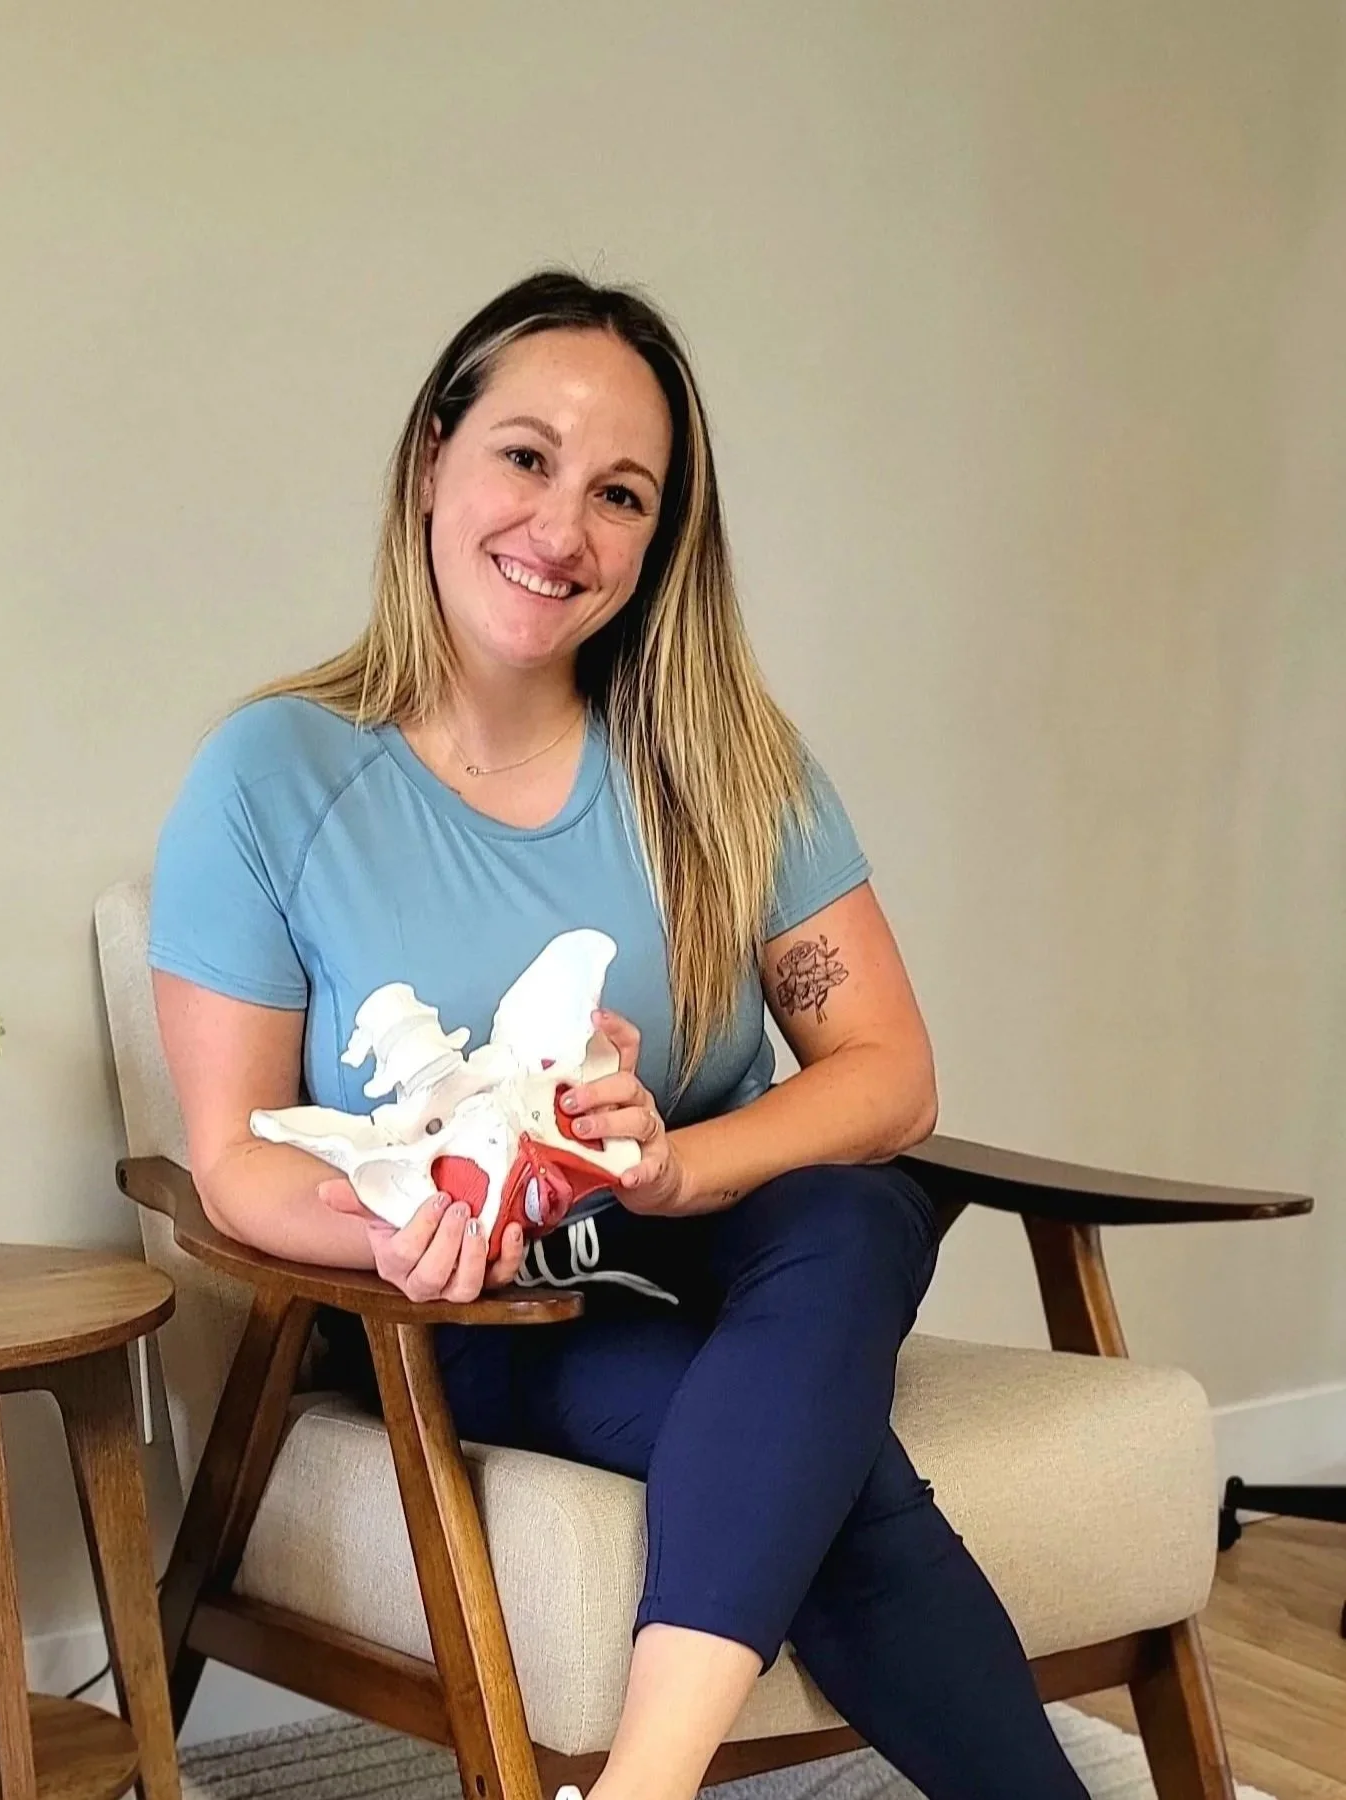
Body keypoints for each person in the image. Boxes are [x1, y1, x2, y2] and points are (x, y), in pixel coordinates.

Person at [148, 271, 1089, 1800]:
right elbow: (234, 1156)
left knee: (856, 1213)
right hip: (487, 1309)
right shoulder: (274, 777)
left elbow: (890, 1075)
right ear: (432, 459)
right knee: (819, 1474)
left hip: (720, 1255)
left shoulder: (727, 763)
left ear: (659, 543)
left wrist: (669, 1166)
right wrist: (390, 1233)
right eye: (525, 458)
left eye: (621, 494)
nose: (561, 529)